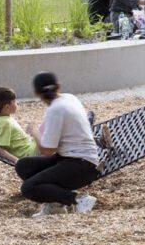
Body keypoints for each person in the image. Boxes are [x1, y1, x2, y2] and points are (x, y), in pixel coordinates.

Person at [13, 72, 100, 216]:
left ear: (36, 93)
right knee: (24, 166)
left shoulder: (55, 110)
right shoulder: (69, 98)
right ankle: (56, 205)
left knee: (28, 188)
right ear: (58, 86)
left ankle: (77, 200)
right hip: (78, 160)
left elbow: (47, 150)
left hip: (82, 166)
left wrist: (34, 131)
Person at [0, 86, 38, 164]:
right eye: (15, 102)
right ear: (7, 107)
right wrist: (16, 161)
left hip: (30, 145)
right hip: (30, 153)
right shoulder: (5, 123)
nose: (17, 104)